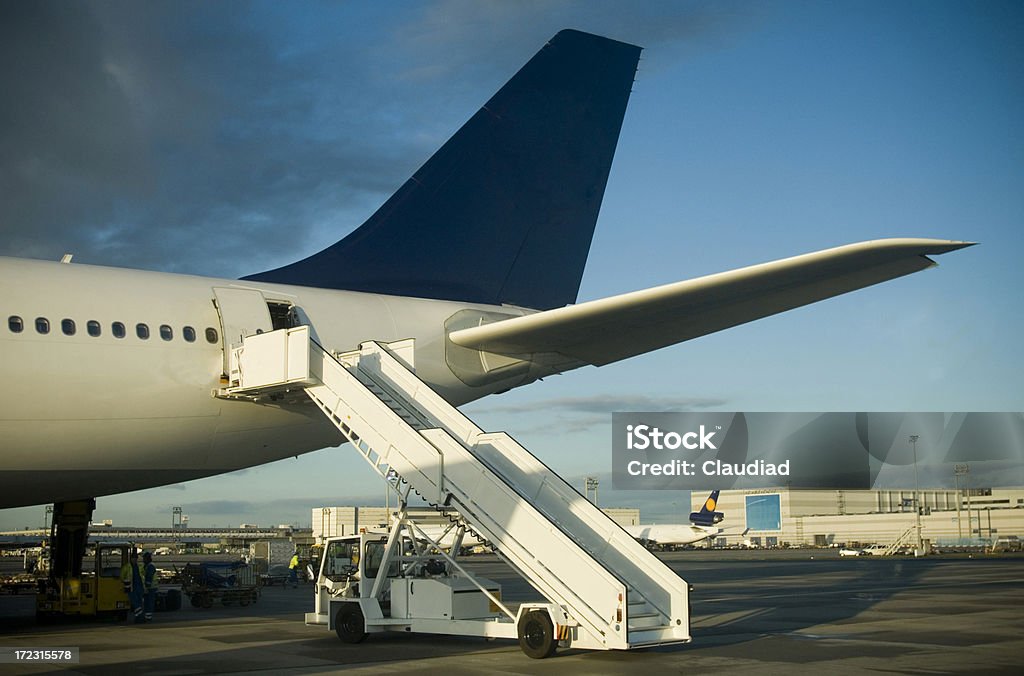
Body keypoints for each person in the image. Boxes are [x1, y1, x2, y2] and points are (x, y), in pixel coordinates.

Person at [120, 551, 144, 623]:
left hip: (139, 586)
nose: (134, 560)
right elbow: (122, 576)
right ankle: (140, 617)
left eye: (136, 558)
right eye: (133, 558)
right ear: (131, 559)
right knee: (135, 602)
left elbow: (143, 575)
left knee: (139, 602)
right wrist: (126, 581)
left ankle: (138, 617)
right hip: (131, 587)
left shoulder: (139, 566)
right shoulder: (127, 567)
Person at [141, 552, 157, 622]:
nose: (143, 560)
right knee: (147, 602)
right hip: (149, 587)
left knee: (148, 603)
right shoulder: (147, 566)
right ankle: (147, 616)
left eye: (144, 558)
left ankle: (148, 617)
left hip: (150, 588)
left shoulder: (150, 566)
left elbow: (149, 577)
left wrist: (147, 586)